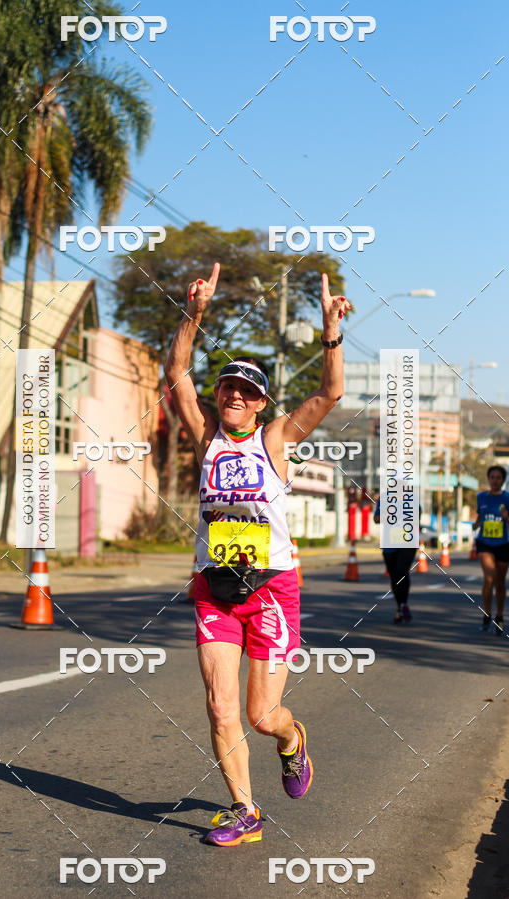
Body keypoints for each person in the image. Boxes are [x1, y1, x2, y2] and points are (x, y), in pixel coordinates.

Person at [165, 262, 349, 846]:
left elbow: (330, 392)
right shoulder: (206, 436)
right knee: (220, 708)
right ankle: (246, 811)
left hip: (271, 587)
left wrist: (329, 331)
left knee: (260, 716)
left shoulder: (275, 441)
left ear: (263, 404)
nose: (235, 396)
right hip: (214, 587)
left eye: (248, 391)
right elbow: (176, 373)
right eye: (228, 387)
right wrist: (194, 314)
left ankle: (293, 741)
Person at [473, 465, 509, 634]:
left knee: (500, 582)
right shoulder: (481, 497)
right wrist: (476, 524)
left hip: (503, 544)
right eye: (492, 477)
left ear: (503, 480)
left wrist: (508, 518)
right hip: (484, 543)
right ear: (488, 479)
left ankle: (499, 615)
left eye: (498, 477)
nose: (495, 480)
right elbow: (480, 515)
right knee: (489, 578)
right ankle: (487, 613)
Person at [373, 497, 418, 624]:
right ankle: (401, 606)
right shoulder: (383, 499)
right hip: (389, 545)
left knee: (402, 571)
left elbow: (417, 515)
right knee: (394, 577)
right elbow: (376, 519)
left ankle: (402, 605)